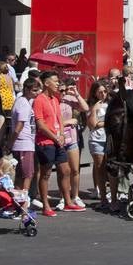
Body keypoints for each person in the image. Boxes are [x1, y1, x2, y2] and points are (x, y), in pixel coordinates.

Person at [33, 71, 81, 217]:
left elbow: (59, 118)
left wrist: (60, 134)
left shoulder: (55, 99)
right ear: (46, 83)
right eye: (55, 81)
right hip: (45, 141)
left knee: (65, 170)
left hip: (58, 140)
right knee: (46, 173)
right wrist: (54, 137)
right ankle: (46, 206)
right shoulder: (39, 100)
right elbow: (40, 124)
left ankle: (68, 201)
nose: (58, 83)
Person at [56, 78, 88, 210]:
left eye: (65, 90)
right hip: (59, 138)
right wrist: (68, 122)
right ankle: (63, 197)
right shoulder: (53, 101)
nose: (63, 93)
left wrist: (76, 94)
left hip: (72, 139)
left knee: (75, 170)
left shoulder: (69, 98)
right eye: (61, 90)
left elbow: (85, 108)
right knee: (62, 171)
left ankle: (75, 196)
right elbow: (52, 123)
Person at [8, 77, 38, 194]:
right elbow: (18, 127)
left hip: (25, 143)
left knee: (21, 175)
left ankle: (18, 202)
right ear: (26, 89)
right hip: (23, 144)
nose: (36, 93)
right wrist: (10, 143)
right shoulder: (23, 104)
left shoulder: (23, 101)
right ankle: (24, 203)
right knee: (27, 175)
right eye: (34, 90)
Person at [87, 81, 113, 211]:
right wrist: (95, 109)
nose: (103, 94)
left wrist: (102, 123)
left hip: (110, 139)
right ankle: (103, 198)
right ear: (95, 93)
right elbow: (92, 125)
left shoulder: (111, 103)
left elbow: (114, 121)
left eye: (104, 91)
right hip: (97, 139)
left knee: (112, 169)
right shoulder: (93, 105)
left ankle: (114, 198)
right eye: (99, 92)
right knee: (100, 169)